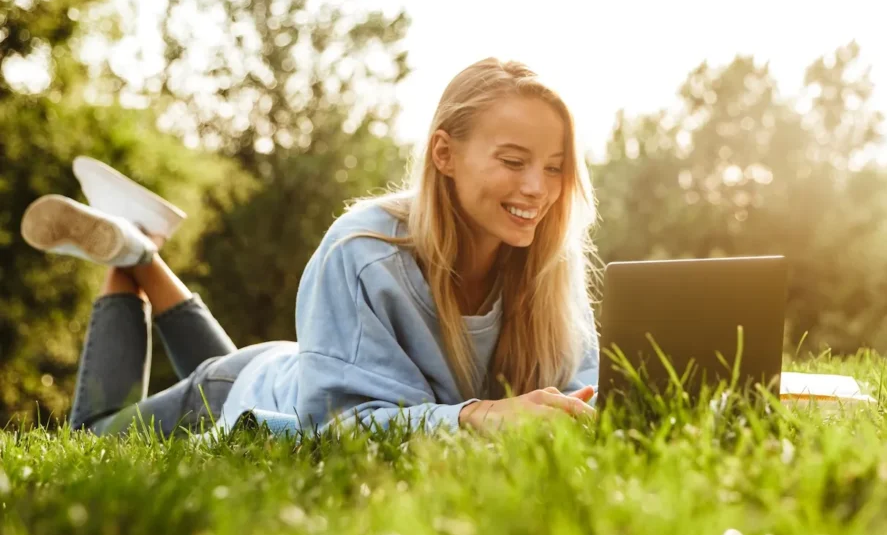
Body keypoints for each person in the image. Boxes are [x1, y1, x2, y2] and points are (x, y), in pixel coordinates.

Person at [19, 58, 600, 438]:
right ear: (443, 154)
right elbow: (343, 421)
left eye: (553, 168)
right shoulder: (365, 249)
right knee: (95, 432)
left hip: (304, 363)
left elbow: (585, 395)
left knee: (211, 366)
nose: (538, 189)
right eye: (513, 161)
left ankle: (138, 242)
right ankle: (131, 246)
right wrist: (481, 418)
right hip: (252, 391)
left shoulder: (550, 264)